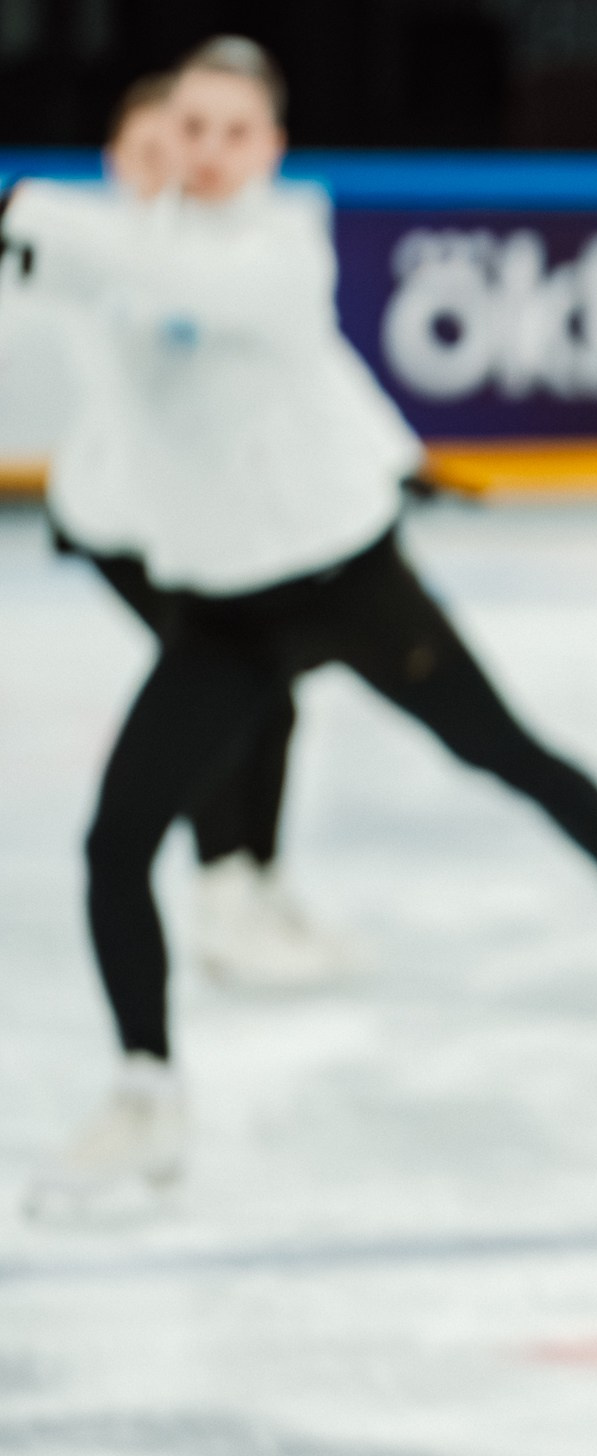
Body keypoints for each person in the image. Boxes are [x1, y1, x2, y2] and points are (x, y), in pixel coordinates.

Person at [1, 36, 597, 1213]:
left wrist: (42, 207)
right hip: (223, 612)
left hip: (348, 581)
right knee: (115, 842)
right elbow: (79, 276)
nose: (199, 154)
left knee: (499, 748)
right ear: (128, 151)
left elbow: (193, 288)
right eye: (175, 134)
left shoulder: (279, 243)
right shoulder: (100, 258)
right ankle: (149, 1088)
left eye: (225, 132)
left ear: (268, 146)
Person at [47, 71, 346, 988]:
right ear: (115, 163)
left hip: (188, 529)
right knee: (219, 701)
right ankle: (224, 894)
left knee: (268, 697)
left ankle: (254, 878)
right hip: (123, 527)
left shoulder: (201, 253)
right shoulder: (109, 262)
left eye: (181, 152)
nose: (174, 170)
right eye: (151, 154)